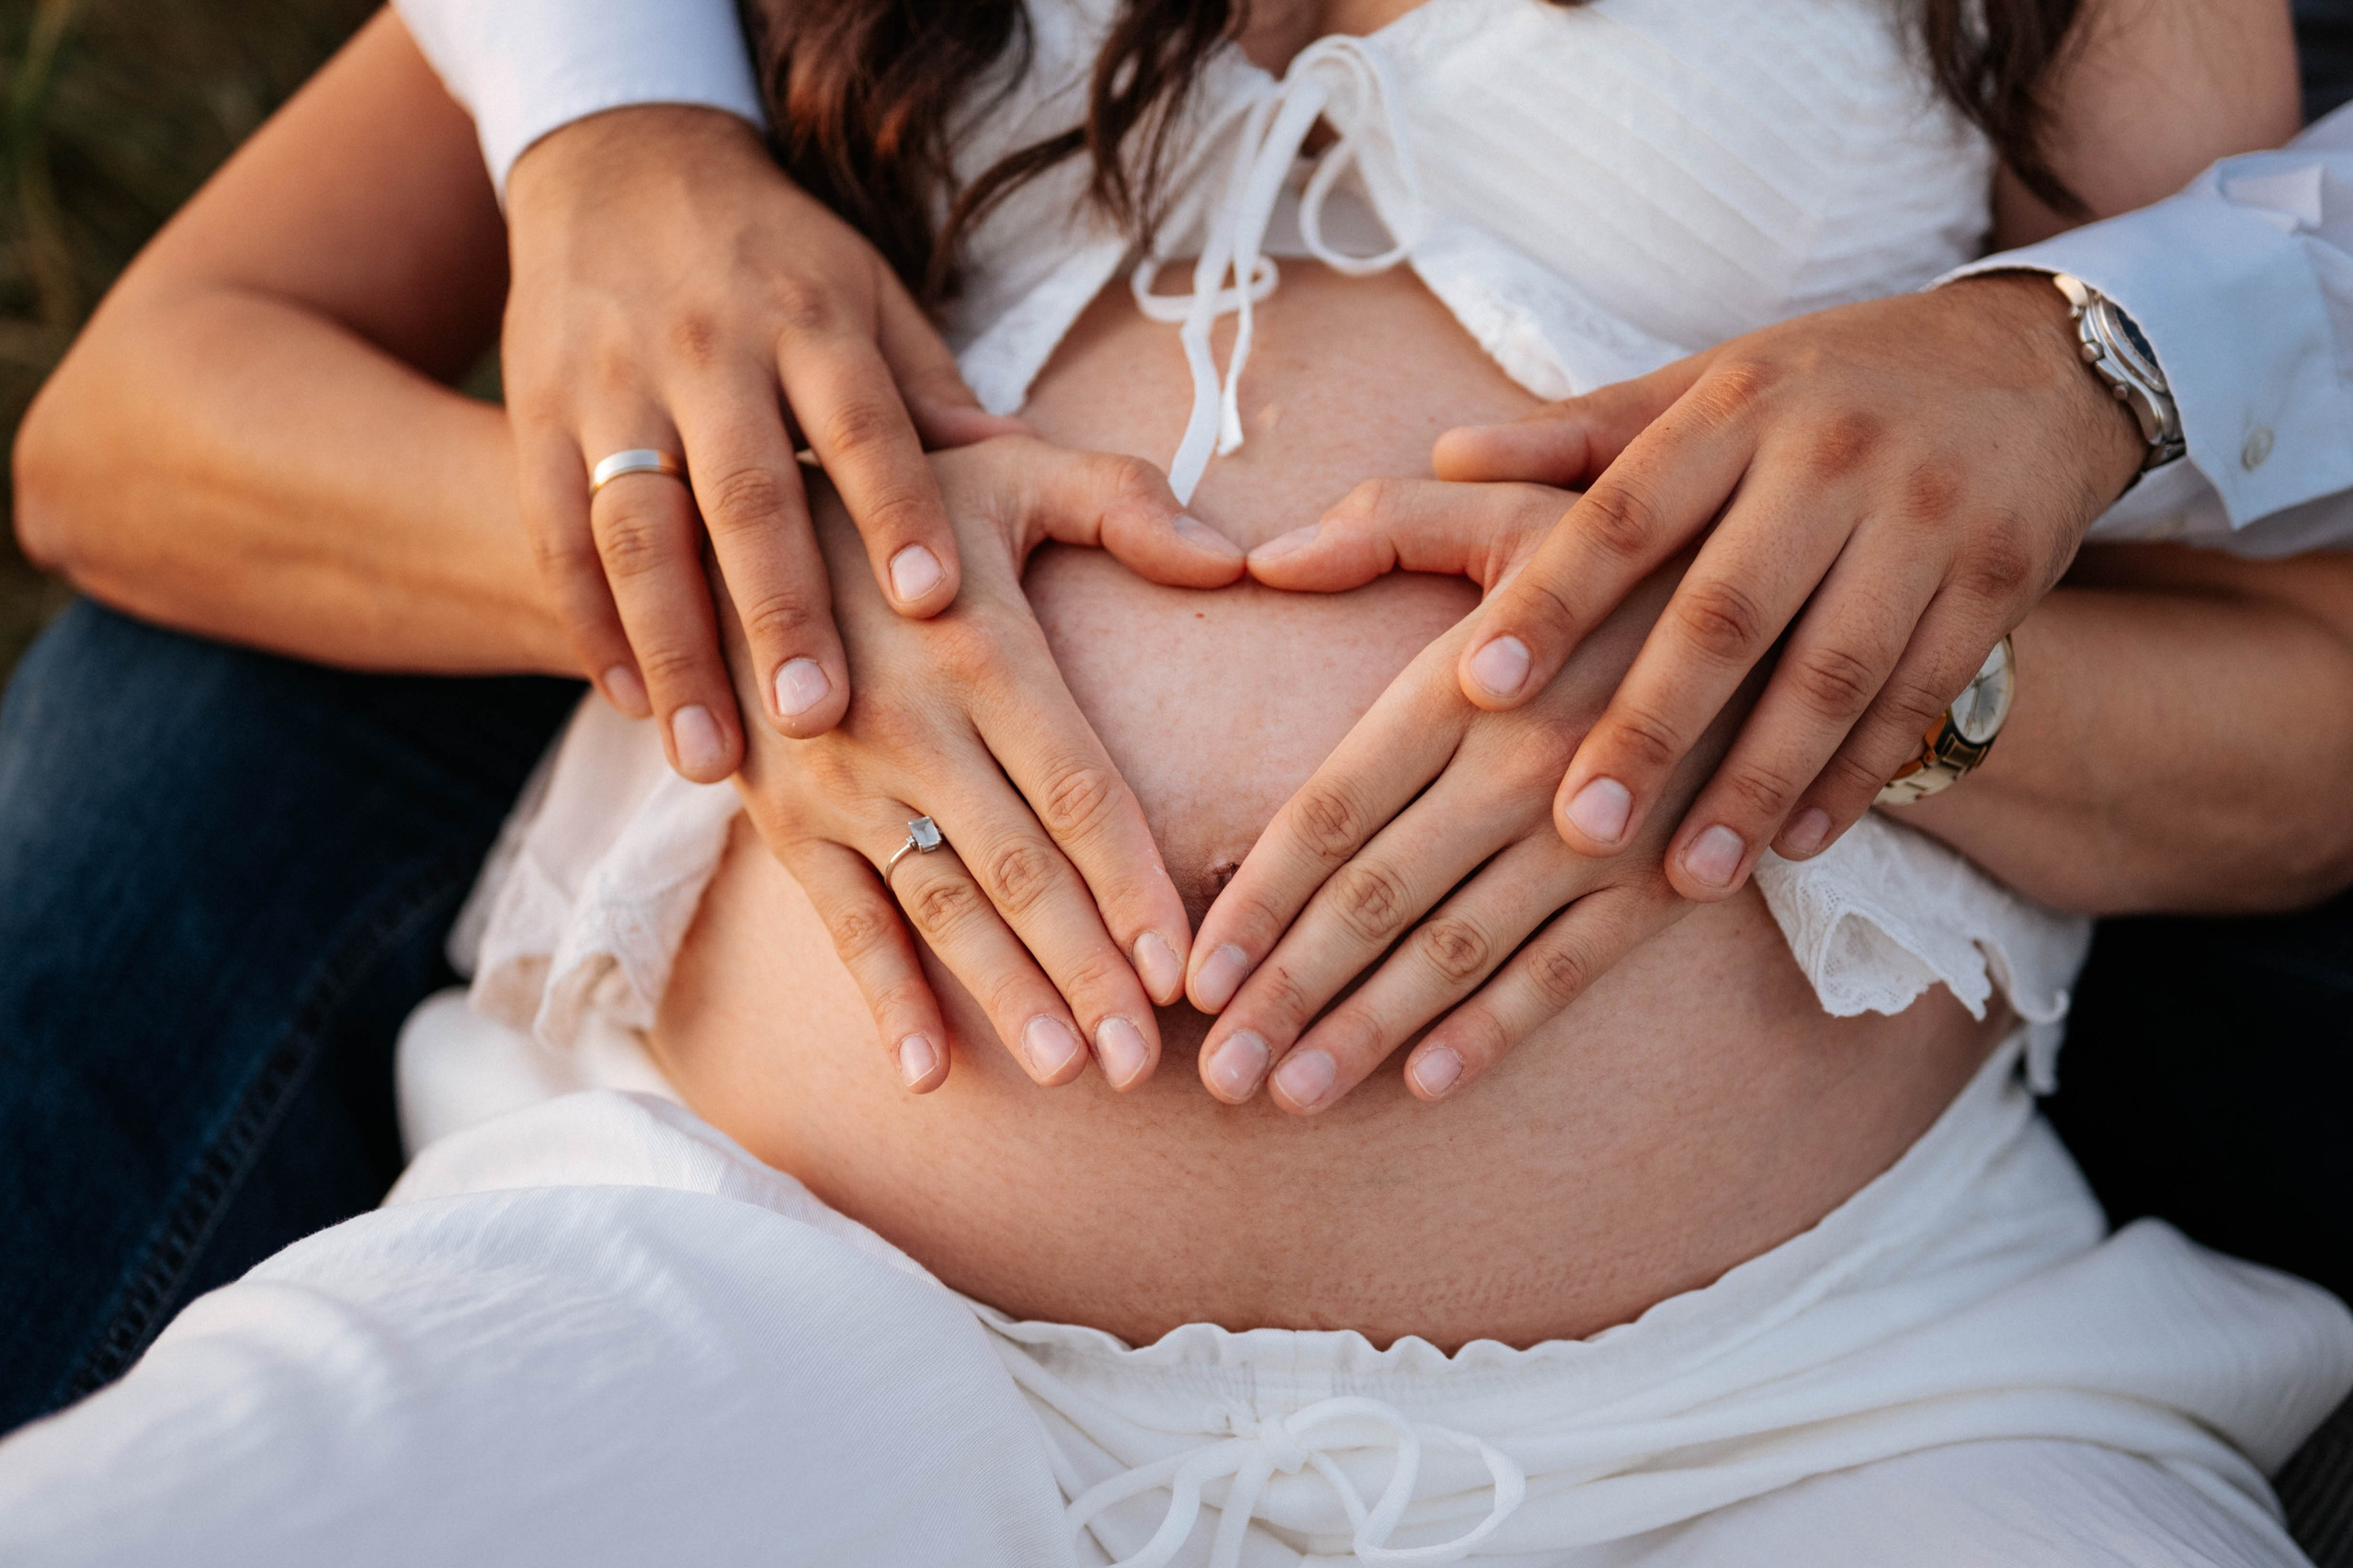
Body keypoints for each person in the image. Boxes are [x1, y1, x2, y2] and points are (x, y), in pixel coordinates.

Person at [5, 4, 2353, 1564]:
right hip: (735, 1272)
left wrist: (1858, 682)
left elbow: (2311, 712)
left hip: (1824, 1403)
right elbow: (138, 427)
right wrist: (728, 579)